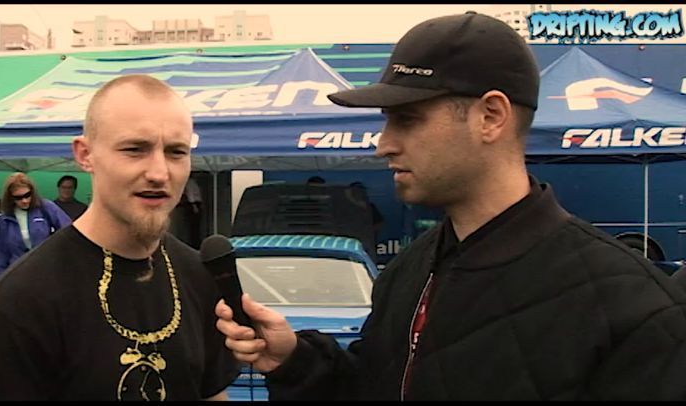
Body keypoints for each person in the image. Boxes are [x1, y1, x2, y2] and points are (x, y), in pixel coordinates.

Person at [214, 13, 686, 401]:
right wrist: (296, 361)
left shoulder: (632, 305)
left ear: (491, 116)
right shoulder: (408, 271)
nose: (383, 144)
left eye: (407, 119)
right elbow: (375, 385)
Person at [0, 74, 240, 400]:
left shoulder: (199, 275)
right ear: (85, 155)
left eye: (176, 152)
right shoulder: (18, 303)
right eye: (135, 149)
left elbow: (212, 394)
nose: (159, 172)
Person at [0, 172, 72, 280]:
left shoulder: (45, 207)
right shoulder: (6, 218)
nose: (24, 200)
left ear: (32, 192)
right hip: (17, 272)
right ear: (10, 198)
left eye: (27, 195)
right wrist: (0, 276)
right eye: (18, 197)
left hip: (46, 269)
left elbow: (68, 231)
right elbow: (1, 250)